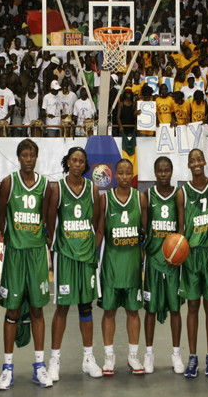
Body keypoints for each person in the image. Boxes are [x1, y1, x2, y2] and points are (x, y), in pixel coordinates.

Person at [0, 139, 53, 389]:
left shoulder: (45, 185)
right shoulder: (9, 183)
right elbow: (1, 216)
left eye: (32, 155)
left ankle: (39, 366)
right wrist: (11, 237)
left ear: (36, 158)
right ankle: (7, 367)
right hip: (15, 254)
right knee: (12, 311)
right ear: (18, 157)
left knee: (38, 310)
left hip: (37, 254)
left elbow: (47, 218)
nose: (28, 159)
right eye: (24, 155)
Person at [47, 147, 103, 380]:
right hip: (66, 256)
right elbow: (49, 222)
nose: (78, 164)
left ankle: (88, 358)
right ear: (67, 162)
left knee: (86, 307)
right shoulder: (57, 189)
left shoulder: (94, 189)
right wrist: (56, 247)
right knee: (62, 306)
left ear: (85, 164)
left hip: (86, 255)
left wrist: (93, 245)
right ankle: (54, 359)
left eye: (82, 161)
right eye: (74, 160)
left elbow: (98, 223)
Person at [97, 159, 147, 375]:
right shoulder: (105, 199)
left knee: (133, 312)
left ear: (132, 175)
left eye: (129, 173)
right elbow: (99, 230)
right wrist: (93, 255)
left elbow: (145, 231)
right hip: (110, 266)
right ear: (115, 175)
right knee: (108, 311)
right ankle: (109, 357)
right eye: (121, 173)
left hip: (133, 267)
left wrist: (144, 255)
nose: (125, 176)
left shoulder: (140, 198)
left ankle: (133, 356)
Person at [176, 148, 208, 378]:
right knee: (192, 306)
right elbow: (181, 229)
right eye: (192, 160)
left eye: (199, 159)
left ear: (205, 161)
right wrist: (177, 253)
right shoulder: (182, 193)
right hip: (191, 256)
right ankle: (192, 357)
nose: (196, 163)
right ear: (189, 165)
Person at [143, 157, 184, 374]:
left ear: (172, 171)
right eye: (160, 171)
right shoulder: (147, 196)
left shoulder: (178, 194)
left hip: (173, 263)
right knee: (150, 310)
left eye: (167, 170)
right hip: (154, 261)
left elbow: (181, 226)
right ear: (155, 172)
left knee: (176, 309)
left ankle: (176, 354)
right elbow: (143, 228)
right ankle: (149, 354)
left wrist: (178, 252)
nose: (163, 174)